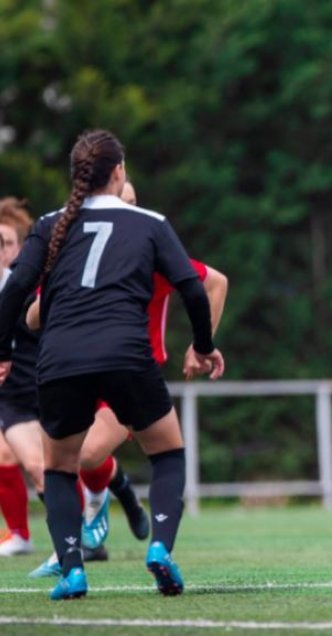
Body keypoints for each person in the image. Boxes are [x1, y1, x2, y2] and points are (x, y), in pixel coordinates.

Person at [0, 129, 224, 600]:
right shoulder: (150, 223)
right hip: (126, 356)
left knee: (59, 469)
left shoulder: (49, 225)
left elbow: (16, 291)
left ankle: (73, 571)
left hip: (60, 360)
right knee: (167, 453)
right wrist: (203, 345)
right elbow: (192, 287)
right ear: (119, 172)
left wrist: (3, 351)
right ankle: (160, 547)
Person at [0, 198, 38, 557]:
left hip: (33, 389)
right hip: (8, 394)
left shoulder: (26, 288)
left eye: (9, 243)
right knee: (4, 457)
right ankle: (19, 534)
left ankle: (83, 526)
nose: (4, 250)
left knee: (45, 467)